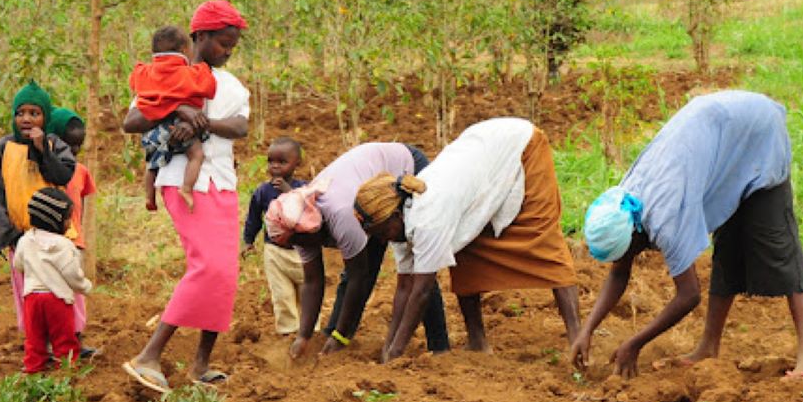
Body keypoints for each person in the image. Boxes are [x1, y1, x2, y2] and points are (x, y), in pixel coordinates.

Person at [570, 90, 803, 381]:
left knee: (780, 245)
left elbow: (688, 295)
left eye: (622, 253)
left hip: (754, 131)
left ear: (635, 237)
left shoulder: (666, 217)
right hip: (717, 136)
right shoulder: (625, 206)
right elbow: (618, 274)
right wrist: (585, 330)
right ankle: (708, 347)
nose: (621, 261)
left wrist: (635, 343)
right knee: (727, 248)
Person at [353, 118, 579, 362]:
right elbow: (405, 287)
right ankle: (477, 342)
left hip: (518, 144)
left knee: (542, 239)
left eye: (381, 232)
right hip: (480, 151)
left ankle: (578, 341)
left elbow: (421, 291)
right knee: (466, 251)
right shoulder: (400, 221)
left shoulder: (428, 218)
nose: (383, 240)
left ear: (395, 216)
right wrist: (388, 347)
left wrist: (397, 352)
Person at [120, 0, 249, 395]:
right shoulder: (164, 75)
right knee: (208, 267)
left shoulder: (230, 85)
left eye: (233, 45)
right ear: (199, 37)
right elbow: (132, 121)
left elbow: (241, 127)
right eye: (222, 43)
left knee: (225, 273)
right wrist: (177, 110)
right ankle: (148, 356)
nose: (228, 51)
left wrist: (204, 121)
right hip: (183, 181)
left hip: (222, 181)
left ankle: (201, 364)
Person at [265, 143, 450, 358]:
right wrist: (303, 337)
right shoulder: (298, 220)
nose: (294, 249)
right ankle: (332, 337)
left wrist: (340, 335)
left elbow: (358, 277)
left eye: (293, 243)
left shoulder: (340, 215)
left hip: (402, 170)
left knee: (419, 263)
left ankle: (439, 346)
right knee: (363, 266)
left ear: (306, 232)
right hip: (363, 195)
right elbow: (312, 281)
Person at [0, 81, 76, 335]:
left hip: (57, 236)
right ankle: (35, 340)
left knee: (64, 287)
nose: (26, 119)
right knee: (27, 289)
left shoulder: (55, 145)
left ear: (45, 117)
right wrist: (7, 233)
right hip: (21, 236)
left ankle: (71, 335)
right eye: (20, 113)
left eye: (34, 114)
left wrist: (41, 150)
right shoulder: (3, 148)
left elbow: (63, 176)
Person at [129, 25, 218, 213]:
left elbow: (133, 82)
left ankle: (149, 196)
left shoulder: (144, 72)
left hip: (154, 127)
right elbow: (209, 87)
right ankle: (186, 188)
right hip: (180, 125)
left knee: (152, 163)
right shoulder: (188, 74)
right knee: (196, 155)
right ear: (185, 50)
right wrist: (202, 68)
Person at [13, 188, 93, 373]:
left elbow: (19, 265)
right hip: (57, 300)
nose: (69, 223)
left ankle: (33, 369)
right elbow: (72, 274)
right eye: (67, 219)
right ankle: (66, 371)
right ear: (55, 221)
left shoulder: (25, 240)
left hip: (32, 298)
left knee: (34, 338)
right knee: (63, 338)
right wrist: (85, 287)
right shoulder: (64, 245)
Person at [242, 137, 313, 335]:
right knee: (281, 295)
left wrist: (289, 192)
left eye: (282, 162)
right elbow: (254, 218)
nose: (275, 166)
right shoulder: (262, 192)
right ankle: (288, 331)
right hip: (274, 252)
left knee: (308, 291)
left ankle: (310, 330)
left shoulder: (304, 189)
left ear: (296, 163)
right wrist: (248, 241)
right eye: (271, 161)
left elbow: (310, 214)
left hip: (302, 253)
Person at [46, 107, 98, 358]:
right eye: (69, 144)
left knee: (74, 295)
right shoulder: (45, 168)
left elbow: (81, 206)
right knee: (51, 293)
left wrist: (79, 238)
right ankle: (51, 343)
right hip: (49, 242)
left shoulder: (81, 171)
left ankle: (76, 339)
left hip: (72, 240)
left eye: (79, 146)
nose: (74, 152)